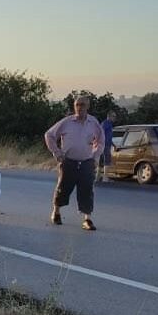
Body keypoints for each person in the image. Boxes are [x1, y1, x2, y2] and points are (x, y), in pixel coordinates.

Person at [44, 96, 104, 231]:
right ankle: (56, 212)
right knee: (63, 188)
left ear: (88, 106)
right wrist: (57, 153)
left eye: (82, 105)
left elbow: (100, 141)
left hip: (87, 162)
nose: (79, 107)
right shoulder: (67, 122)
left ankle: (87, 219)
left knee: (87, 190)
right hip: (69, 162)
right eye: (77, 105)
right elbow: (49, 135)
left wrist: (95, 156)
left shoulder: (93, 123)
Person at [97, 110, 116, 183]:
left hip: (105, 144)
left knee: (101, 161)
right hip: (104, 145)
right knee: (107, 161)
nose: (115, 118)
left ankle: (98, 177)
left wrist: (113, 144)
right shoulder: (106, 123)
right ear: (109, 116)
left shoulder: (109, 124)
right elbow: (101, 133)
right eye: (113, 116)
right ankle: (105, 178)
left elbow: (109, 136)